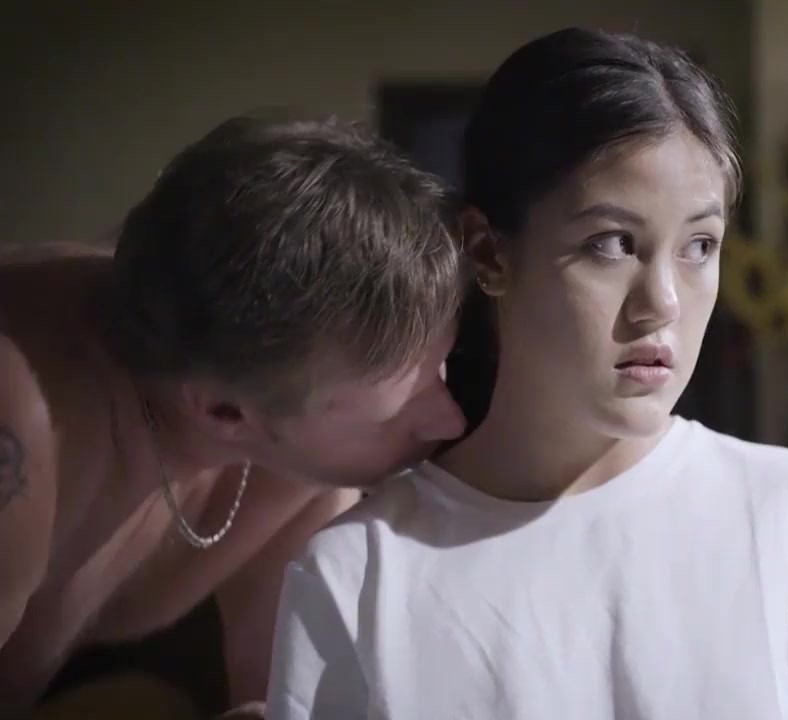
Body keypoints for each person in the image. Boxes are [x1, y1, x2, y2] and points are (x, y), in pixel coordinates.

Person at [266, 27, 788, 719]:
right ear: (487, 252)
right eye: (611, 244)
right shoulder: (360, 576)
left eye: (700, 246)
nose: (663, 303)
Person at [0, 114, 468, 718]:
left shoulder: (288, 434)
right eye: (394, 410)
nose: (450, 422)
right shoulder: (24, 429)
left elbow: (283, 694)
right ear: (224, 413)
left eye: (440, 368)